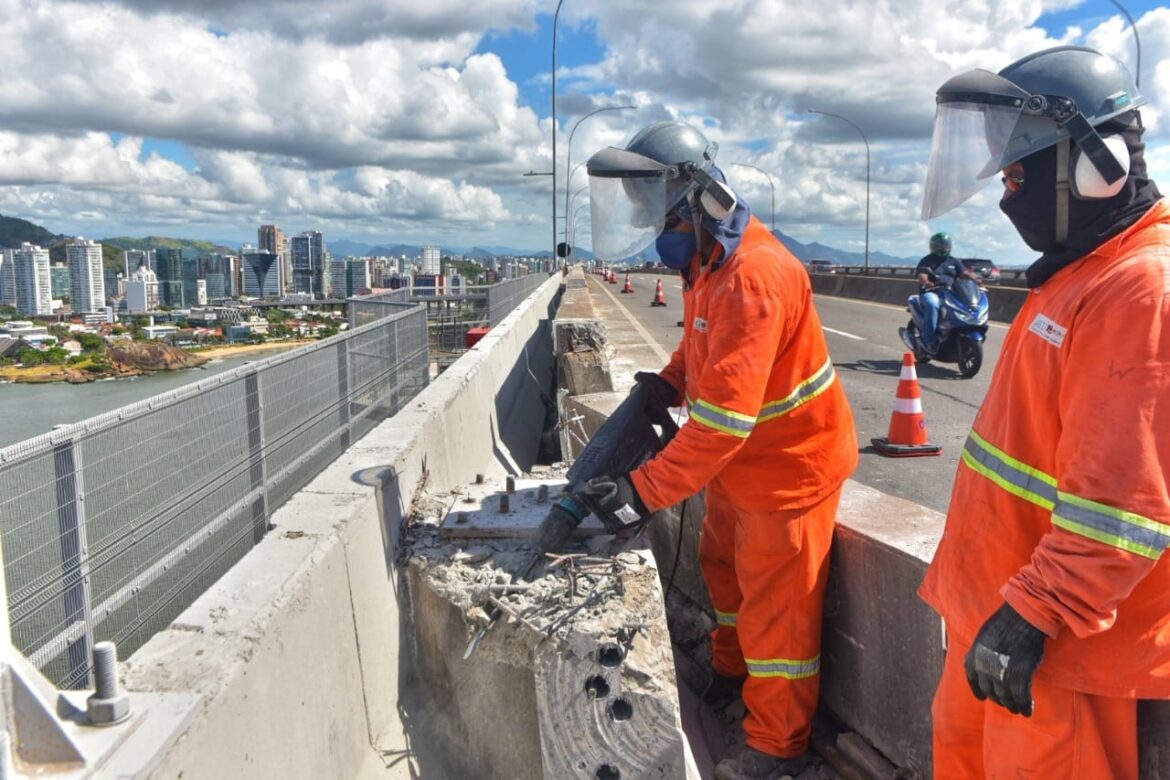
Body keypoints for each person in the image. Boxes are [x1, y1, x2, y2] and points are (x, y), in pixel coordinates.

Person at [918, 45, 1169, 777]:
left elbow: (1121, 506)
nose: (1006, 192)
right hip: (995, 613)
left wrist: (1035, 613)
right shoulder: (1080, 271)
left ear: (1099, 165)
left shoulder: (1140, 289)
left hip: (1058, 650)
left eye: (1020, 171)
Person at [580, 120, 859, 779]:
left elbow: (720, 428)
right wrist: (671, 381)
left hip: (790, 471)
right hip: (743, 469)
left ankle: (774, 745)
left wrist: (638, 493)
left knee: (777, 620)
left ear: (699, 200)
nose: (654, 230)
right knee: (723, 576)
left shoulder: (753, 276)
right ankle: (732, 677)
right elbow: (708, 347)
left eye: (659, 213)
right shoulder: (708, 261)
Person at [913, 233, 978, 351]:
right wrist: (926, 282)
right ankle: (930, 341)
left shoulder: (953, 261)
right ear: (933, 246)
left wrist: (975, 278)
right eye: (939, 245)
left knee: (964, 305)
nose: (942, 247)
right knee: (932, 305)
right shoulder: (927, 260)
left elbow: (964, 273)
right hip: (931, 292)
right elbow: (922, 274)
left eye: (945, 244)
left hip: (950, 293)